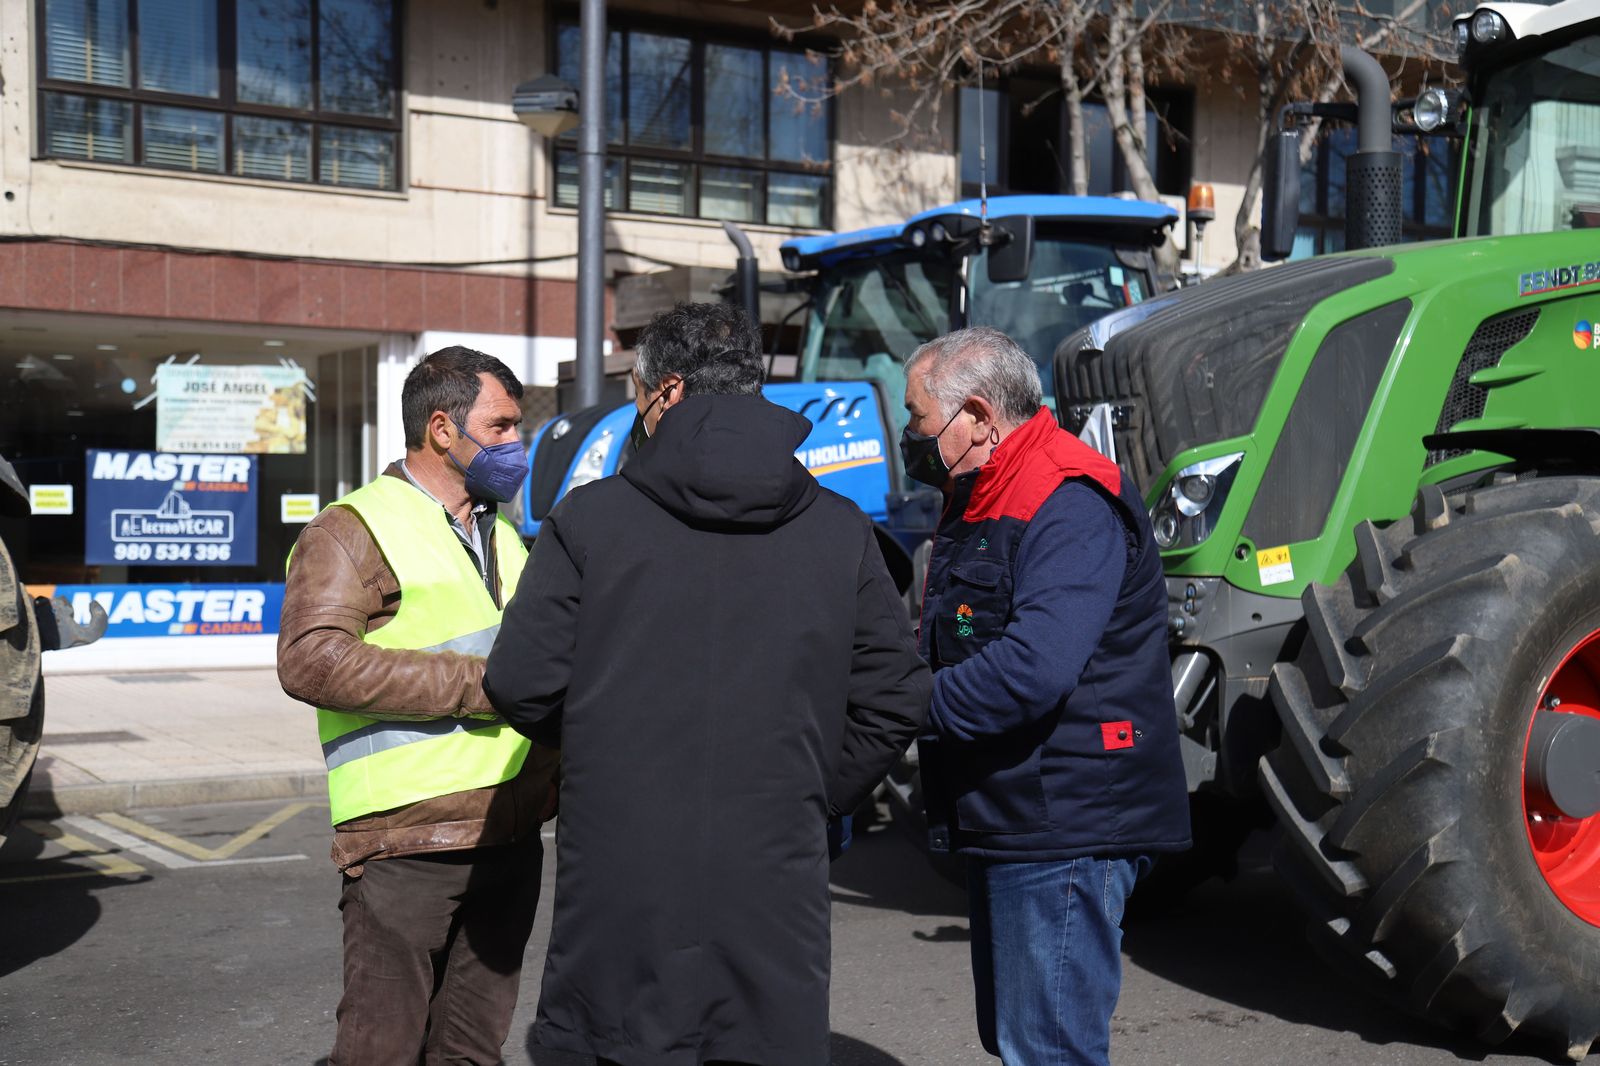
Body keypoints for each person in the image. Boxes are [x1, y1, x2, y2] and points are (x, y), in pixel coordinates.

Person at [483, 302, 931, 1066]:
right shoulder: (840, 528)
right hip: (774, 871)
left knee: (624, 1045)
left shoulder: (590, 520)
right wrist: (815, 788)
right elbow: (894, 695)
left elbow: (521, 682)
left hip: (623, 872)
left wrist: (603, 749)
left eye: (636, 394)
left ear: (667, 392)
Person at [903, 327, 1190, 1066]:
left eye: (917, 418)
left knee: (1048, 1050)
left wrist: (906, 704)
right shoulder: (987, 488)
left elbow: (1032, 670)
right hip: (1019, 812)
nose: (910, 437)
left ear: (976, 416)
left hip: (1065, 823)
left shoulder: (1066, 500)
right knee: (1020, 1039)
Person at [278, 345, 559, 1066]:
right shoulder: (352, 528)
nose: (516, 444)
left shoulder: (501, 532)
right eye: (500, 427)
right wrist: (486, 685)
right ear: (441, 429)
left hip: (509, 830)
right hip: (406, 840)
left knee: (470, 1050)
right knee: (382, 1049)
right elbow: (311, 660)